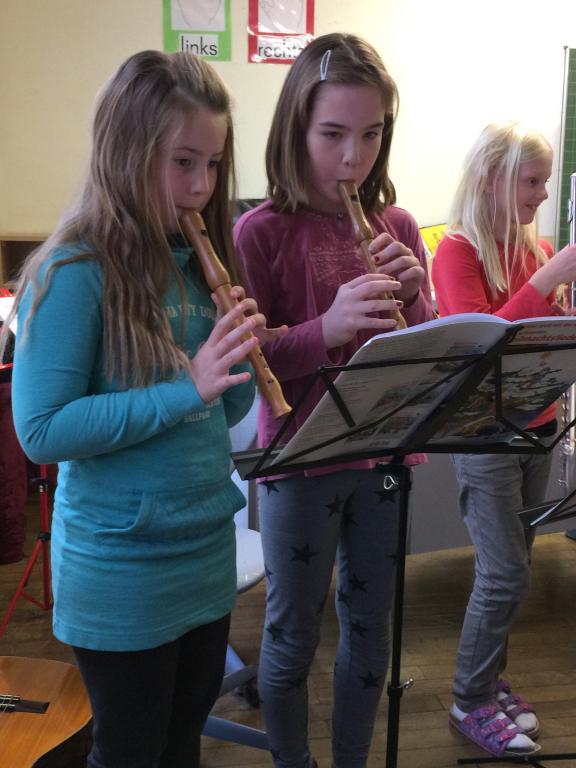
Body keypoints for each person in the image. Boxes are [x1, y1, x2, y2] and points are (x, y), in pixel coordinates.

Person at [2, 49, 281, 768]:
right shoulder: (73, 270)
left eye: (213, 164)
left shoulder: (197, 265)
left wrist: (238, 363)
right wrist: (188, 384)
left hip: (203, 551)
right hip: (121, 568)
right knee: (129, 751)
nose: (202, 186)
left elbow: (219, 416)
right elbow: (42, 431)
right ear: (126, 152)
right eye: (183, 162)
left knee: (182, 745)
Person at [234, 33, 435, 768]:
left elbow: (427, 350)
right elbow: (250, 361)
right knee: (291, 636)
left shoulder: (397, 225)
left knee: (371, 630)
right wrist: (327, 328)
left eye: (371, 134)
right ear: (296, 129)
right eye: (332, 135)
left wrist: (418, 298)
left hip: (383, 457)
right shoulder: (258, 232)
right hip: (300, 462)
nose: (354, 158)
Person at [432, 121, 576, 758]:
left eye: (545, 181)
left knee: (513, 565)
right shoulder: (456, 251)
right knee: (505, 573)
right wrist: (549, 280)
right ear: (493, 179)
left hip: (536, 426)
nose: (543, 194)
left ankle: (489, 681)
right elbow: (481, 346)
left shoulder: (534, 248)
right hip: (483, 432)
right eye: (532, 181)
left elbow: (541, 344)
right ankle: (469, 699)